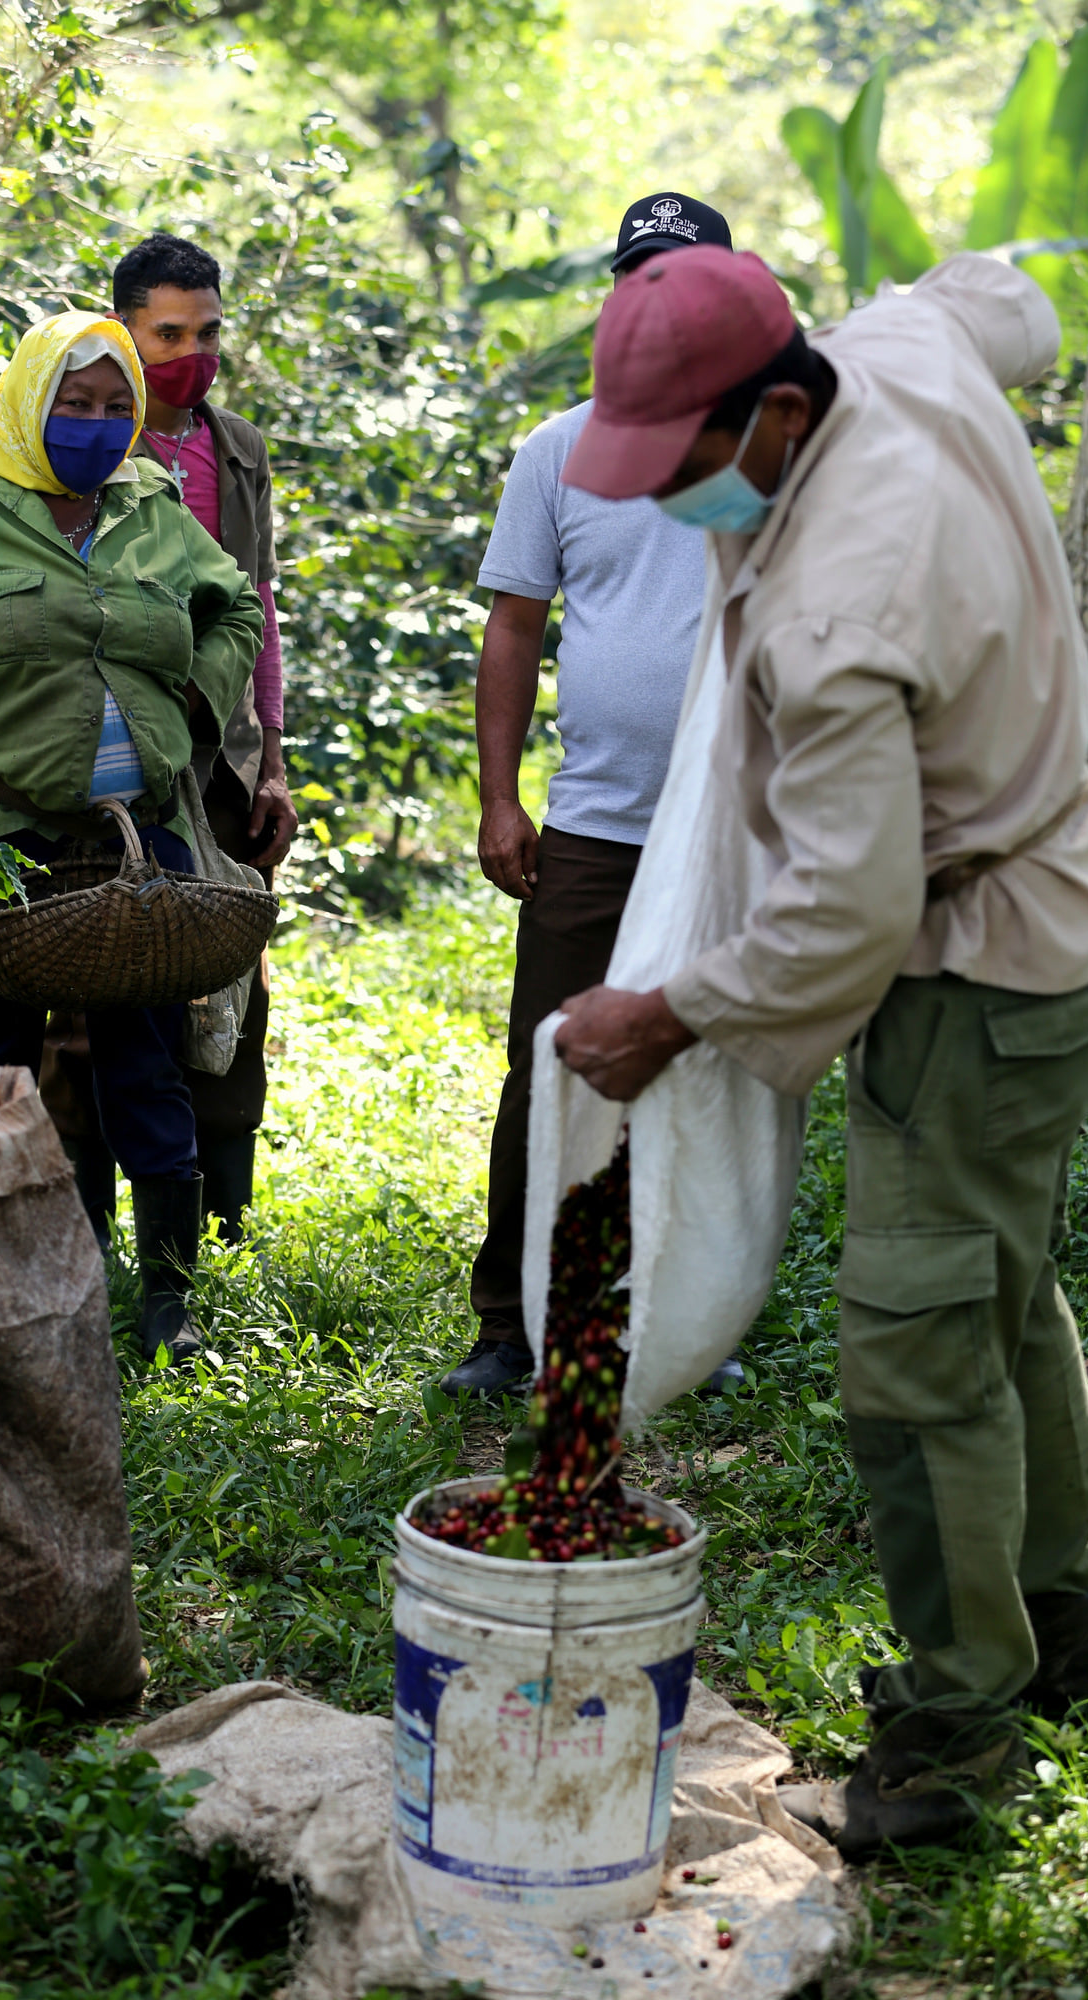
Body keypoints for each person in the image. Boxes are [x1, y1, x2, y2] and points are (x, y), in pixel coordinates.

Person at [552, 245, 1088, 1855]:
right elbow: (1005, 297)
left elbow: (846, 912)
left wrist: (665, 1011)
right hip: (1065, 919)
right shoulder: (901, 342)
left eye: (680, 460)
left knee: (916, 1353)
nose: (662, 495)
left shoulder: (838, 606)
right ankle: (1068, 1645)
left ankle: (955, 1744)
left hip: (973, 974)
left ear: (777, 410)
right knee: (1000, 1296)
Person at [0, 310, 264, 1365]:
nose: (96, 423)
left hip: (140, 841)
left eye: (117, 405)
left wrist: (191, 705)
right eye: (74, 402)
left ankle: (168, 1306)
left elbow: (235, 611)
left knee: (146, 1063)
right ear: (31, 399)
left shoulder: (150, 503)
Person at [442, 191, 737, 1403]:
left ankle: (682, 1319)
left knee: (701, 1070)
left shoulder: (771, 445)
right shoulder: (558, 448)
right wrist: (498, 798)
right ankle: (512, 1324)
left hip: (724, 826)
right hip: (594, 824)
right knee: (551, 1063)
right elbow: (514, 627)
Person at [41, 231, 296, 1249]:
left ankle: (216, 1218)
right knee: (92, 984)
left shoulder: (236, 449)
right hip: (103, 751)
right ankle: (85, 1224)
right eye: (170, 334)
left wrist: (272, 759)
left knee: (226, 967)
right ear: (124, 331)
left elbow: (257, 606)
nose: (194, 354)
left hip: (219, 753)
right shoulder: (79, 436)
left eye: (210, 333)